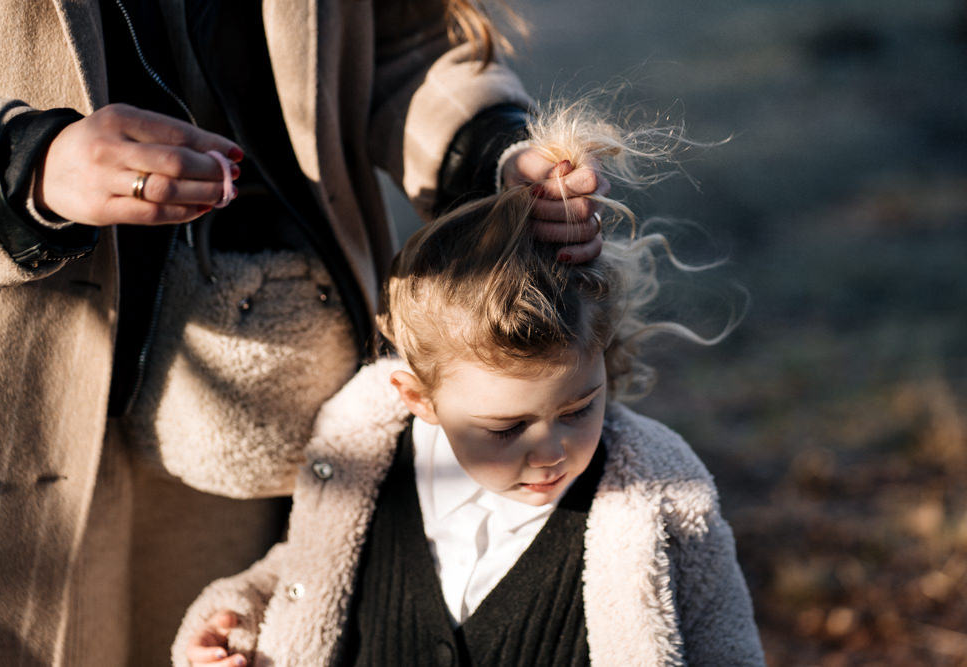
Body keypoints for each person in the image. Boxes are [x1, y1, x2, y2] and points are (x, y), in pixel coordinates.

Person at [0, 1, 605, 665]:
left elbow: (403, 42)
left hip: (270, 394)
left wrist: (488, 149)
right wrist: (23, 166)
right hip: (9, 401)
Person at [173, 104, 764, 667]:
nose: (553, 450)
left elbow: (725, 644)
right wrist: (236, 617)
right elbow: (307, 570)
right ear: (418, 399)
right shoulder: (367, 461)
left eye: (580, 407)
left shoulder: (659, 494)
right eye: (506, 429)